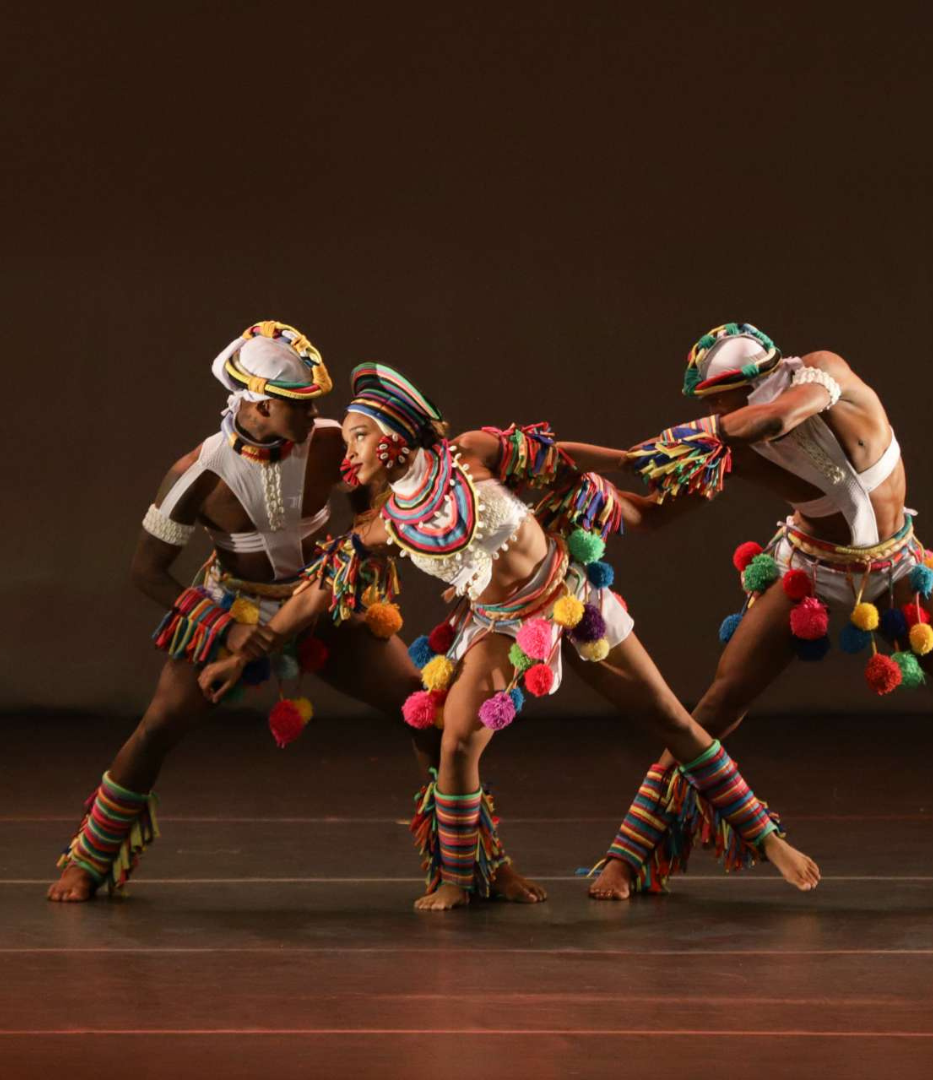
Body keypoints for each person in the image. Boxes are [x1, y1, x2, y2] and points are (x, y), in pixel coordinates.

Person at [200, 362, 822, 911]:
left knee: (672, 721)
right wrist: (253, 648)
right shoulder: (387, 524)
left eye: (359, 435)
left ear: (396, 435)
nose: (348, 449)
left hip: (569, 598)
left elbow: (562, 457)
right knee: (456, 742)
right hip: (498, 626)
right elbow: (318, 590)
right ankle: (459, 878)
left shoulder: (470, 454)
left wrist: (630, 463)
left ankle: (769, 840)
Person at [586, 321, 933, 901]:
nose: (711, 411)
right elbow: (653, 514)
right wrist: (590, 489)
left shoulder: (821, 374)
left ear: (753, 385)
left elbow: (777, 419)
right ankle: (628, 854)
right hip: (809, 570)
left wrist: (691, 434)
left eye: (717, 399)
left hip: (896, 568)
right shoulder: (729, 446)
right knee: (717, 707)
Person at [48, 321, 432, 903]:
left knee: (421, 709)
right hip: (234, 609)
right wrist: (224, 627)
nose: (315, 415)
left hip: (320, 599)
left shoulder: (332, 442)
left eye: (315, 404)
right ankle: (89, 859)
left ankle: (469, 861)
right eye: (301, 405)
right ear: (260, 404)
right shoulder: (198, 473)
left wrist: (361, 554)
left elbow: (366, 507)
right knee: (158, 726)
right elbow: (146, 571)